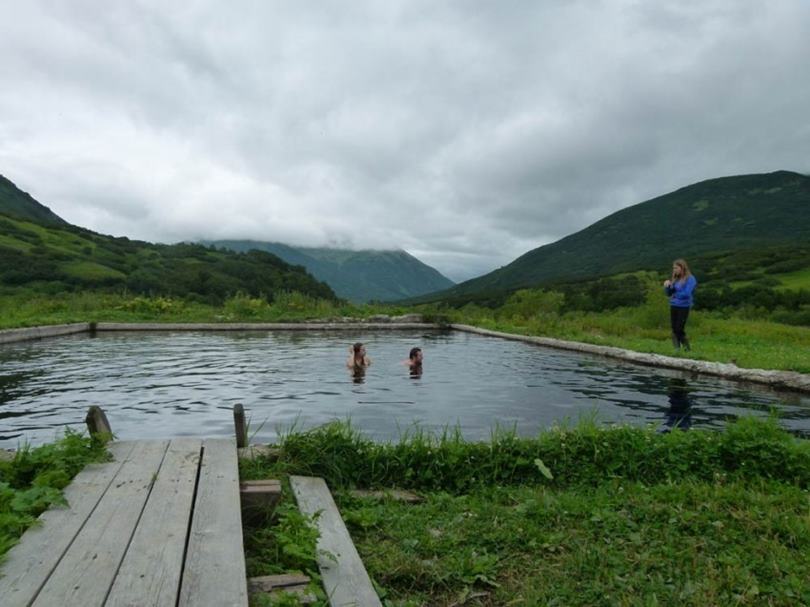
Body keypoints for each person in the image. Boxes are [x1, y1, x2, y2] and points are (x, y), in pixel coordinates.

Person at [663, 258, 697, 351]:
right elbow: (669, 293)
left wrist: (675, 295)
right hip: (674, 305)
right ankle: (677, 349)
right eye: (673, 268)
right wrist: (667, 286)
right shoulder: (676, 279)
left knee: (679, 328)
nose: (674, 270)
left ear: (682, 268)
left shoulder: (690, 279)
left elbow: (686, 294)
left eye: (676, 268)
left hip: (684, 306)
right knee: (674, 328)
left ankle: (687, 348)